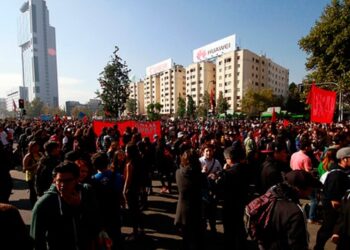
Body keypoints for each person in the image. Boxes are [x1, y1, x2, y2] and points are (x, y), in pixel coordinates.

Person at [30, 161, 102, 250]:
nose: (63, 185)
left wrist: (80, 206)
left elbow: (96, 221)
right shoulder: (44, 204)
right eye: (59, 181)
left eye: (68, 181)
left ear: (76, 179)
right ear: (54, 180)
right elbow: (37, 240)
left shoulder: (86, 193)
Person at [258, 170, 322, 250]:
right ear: (299, 189)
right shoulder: (295, 211)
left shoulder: (271, 195)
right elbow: (297, 244)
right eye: (311, 187)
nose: (312, 190)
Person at [314, 147, 350, 250]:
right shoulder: (336, 175)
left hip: (341, 211)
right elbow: (334, 201)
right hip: (334, 212)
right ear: (344, 159)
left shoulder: (344, 172)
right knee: (327, 230)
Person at [219, 144, 249, 250]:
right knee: (240, 226)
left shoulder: (228, 173)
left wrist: (223, 171)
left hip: (229, 204)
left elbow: (221, 187)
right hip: (241, 202)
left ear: (229, 159)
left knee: (229, 231)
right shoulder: (245, 168)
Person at [174, 148, 203, 250]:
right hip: (196, 208)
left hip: (182, 209)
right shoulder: (200, 175)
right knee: (196, 239)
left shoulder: (178, 173)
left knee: (185, 239)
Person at [199, 143, 222, 235]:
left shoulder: (216, 162)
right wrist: (202, 172)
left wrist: (216, 175)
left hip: (213, 191)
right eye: (206, 151)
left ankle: (213, 228)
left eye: (210, 150)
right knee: (203, 212)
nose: (208, 152)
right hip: (202, 191)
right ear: (203, 152)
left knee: (212, 211)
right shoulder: (199, 161)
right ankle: (203, 230)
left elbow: (221, 173)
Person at [123, 143, 145, 240]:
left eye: (126, 151)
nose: (125, 152)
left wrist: (124, 191)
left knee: (133, 212)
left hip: (131, 190)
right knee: (138, 211)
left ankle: (135, 232)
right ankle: (141, 229)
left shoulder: (129, 164)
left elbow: (128, 180)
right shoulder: (140, 160)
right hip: (138, 188)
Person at [22, 141, 43, 207]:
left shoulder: (40, 154)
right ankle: (33, 205)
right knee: (33, 191)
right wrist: (35, 165)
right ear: (30, 148)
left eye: (37, 146)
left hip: (39, 175)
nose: (36, 148)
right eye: (34, 147)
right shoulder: (28, 156)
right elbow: (24, 168)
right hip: (31, 176)